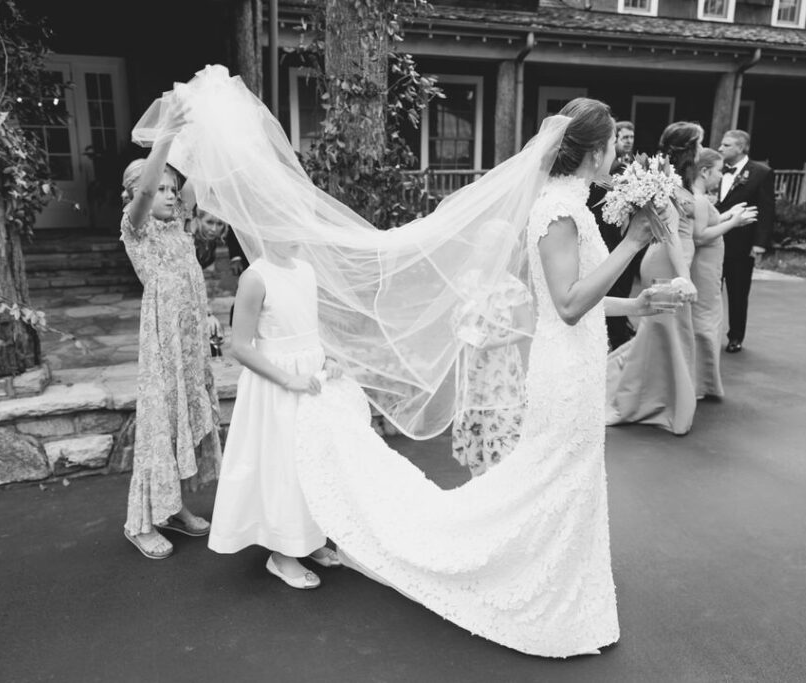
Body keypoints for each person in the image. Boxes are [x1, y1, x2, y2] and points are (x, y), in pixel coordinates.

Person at [137, 69, 676, 656]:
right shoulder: (557, 210)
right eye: (613, 148)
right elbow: (567, 303)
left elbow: (570, 295)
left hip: (576, 360)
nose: (617, 158)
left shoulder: (573, 206)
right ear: (595, 151)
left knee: (566, 478)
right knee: (550, 478)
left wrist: (636, 300)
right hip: (564, 367)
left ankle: (569, 591)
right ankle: (524, 584)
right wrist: (632, 244)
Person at [207, 240, 343, 589]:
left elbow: (309, 325)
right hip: (277, 384)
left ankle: (308, 538)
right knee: (283, 465)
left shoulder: (306, 270)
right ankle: (282, 555)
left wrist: (327, 357)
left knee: (313, 461)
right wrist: (288, 379)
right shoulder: (255, 278)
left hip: (310, 376)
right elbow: (239, 346)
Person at [119, 102, 221, 560]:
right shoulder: (136, 228)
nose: (166, 194)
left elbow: (193, 182)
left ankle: (174, 505)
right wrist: (165, 137)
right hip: (162, 342)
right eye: (158, 188)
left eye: (171, 189)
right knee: (161, 425)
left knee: (183, 420)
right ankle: (139, 523)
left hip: (190, 339)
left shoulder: (179, 227)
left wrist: (195, 135)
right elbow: (143, 193)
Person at [605, 122, 701, 436]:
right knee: (663, 333)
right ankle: (640, 399)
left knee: (668, 333)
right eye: (698, 144)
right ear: (689, 148)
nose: (701, 150)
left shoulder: (676, 179)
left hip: (670, 261)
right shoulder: (665, 182)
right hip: (667, 266)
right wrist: (684, 278)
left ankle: (662, 394)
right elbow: (672, 235)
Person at [690, 149, 758, 398]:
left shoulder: (700, 197)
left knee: (709, 318)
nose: (721, 175)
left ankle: (704, 381)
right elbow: (699, 236)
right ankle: (699, 383)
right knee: (703, 320)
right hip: (703, 267)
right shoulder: (698, 198)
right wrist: (733, 222)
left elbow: (708, 223)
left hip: (710, 265)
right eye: (719, 170)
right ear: (705, 171)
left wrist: (728, 214)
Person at [450, 271, 532, 477]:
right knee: (476, 441)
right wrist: (462, 328)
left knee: (503, 439)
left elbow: (527, 328)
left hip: (502, 373)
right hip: (473, 373)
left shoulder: (512, 287)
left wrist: (497, 341)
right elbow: (454, 320)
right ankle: (479, 488)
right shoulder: (467, 281)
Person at [717, 130, 775, 354]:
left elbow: (766, 209)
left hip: (741, 244)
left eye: (726, 145)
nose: (720, 148)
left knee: (738, 292)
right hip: (713, 239)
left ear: (741, 148)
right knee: (711, 290)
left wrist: (760, 244)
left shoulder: (761, 173)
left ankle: (736, 336)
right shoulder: (715, 169)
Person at [588, 119, 641, 349]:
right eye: (620, 139)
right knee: (610, 284)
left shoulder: (630, 167)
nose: (628, 141)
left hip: (620, 235)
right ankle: (618, 338)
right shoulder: (610, 171)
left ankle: (619, 330)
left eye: (631, 137)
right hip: (605, 235)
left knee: (620, 285)